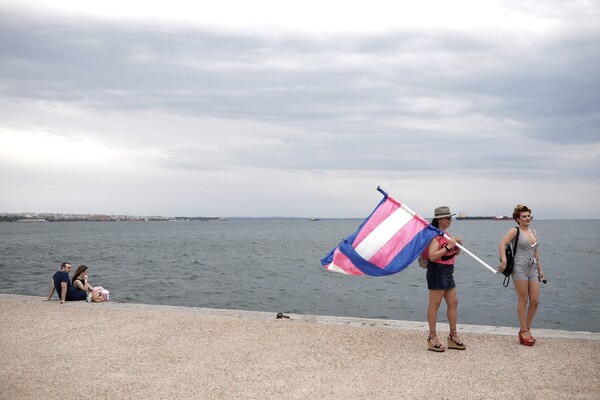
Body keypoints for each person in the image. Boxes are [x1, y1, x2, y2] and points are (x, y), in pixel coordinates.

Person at [498, 204, 544, 346]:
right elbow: (502, 244)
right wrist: (504, 260)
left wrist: (540, 269)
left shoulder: (534, 232)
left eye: (529, 215)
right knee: (523, 299)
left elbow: (535, 251)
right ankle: (523, 331)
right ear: (518, 219)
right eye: (524, 216)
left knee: (535, 300)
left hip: (533, 267)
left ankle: (527, 328)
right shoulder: (514, 230)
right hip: (519, 267)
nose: (527, 218)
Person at [424, 206, 465, 352]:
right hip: (437, 271)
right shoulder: (435, 236)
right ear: (439, 219)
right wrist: (449, 246)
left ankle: (453, 336)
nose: (450, 220)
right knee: (434, 304)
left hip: (448, 272)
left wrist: (458, 247)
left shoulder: (446, 234)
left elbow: (454, 254)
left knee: (453, 302)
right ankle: (432, 337)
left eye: (450, 217)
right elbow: (432, 256)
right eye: (447, 218)